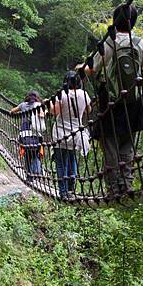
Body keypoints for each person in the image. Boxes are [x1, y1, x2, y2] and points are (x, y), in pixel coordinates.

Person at [78, 4, 143, 195]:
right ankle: (126, 184)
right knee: (127, 142)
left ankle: (113, 188)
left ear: (115, 20)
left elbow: (92, 69)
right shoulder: (140, 43)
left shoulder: (108, 42)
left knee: (109, 143)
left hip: (110, 100)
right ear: (133, 23)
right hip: (133, 100)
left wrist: (80, 68)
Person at [50, 71, 92, 199]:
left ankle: (63, 192)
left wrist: (51, 102)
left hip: (61, 132)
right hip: (75, 133)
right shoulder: (84, 94)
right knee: (72, 159)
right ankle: (71, 189)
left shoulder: (62, 94)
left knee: (61, 163)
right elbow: (89, 110)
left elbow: (54, 112)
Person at [10, 92, 45, 183]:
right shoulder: (38, 105)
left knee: (27, 155)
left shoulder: (23, 105)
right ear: (36, 98)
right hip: (35, 134)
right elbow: (42, 115)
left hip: (24, 134)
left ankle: (29, 176)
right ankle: (37, 172)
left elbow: (12, 111)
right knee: (35, 153)